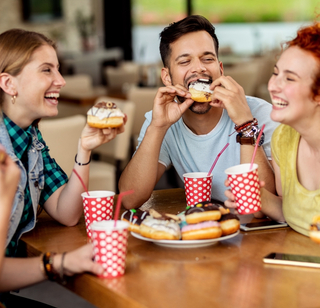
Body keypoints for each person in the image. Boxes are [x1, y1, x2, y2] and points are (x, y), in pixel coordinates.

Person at [0, 29, 126, 308]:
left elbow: (67, 213)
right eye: (47, 70)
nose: (61, 81)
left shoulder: (31, 139)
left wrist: (85, 148)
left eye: (58, 69)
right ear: (9, 84)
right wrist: (60, 263)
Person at [119, 15, 278, 209]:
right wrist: (158, 128)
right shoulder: (161, 121)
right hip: (203, 227)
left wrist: (245, 124)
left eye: (207, 59)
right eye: (185, 61)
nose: (199, 68)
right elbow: (129, 198)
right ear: (167, 77)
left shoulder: (261, 114)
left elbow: (269, 202)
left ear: (220, 69)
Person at [225, 19, 320, 236]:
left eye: (289, 78)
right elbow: (293, 213)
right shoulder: (283, 140)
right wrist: (260, 197)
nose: (273, 86)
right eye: (276, 73)